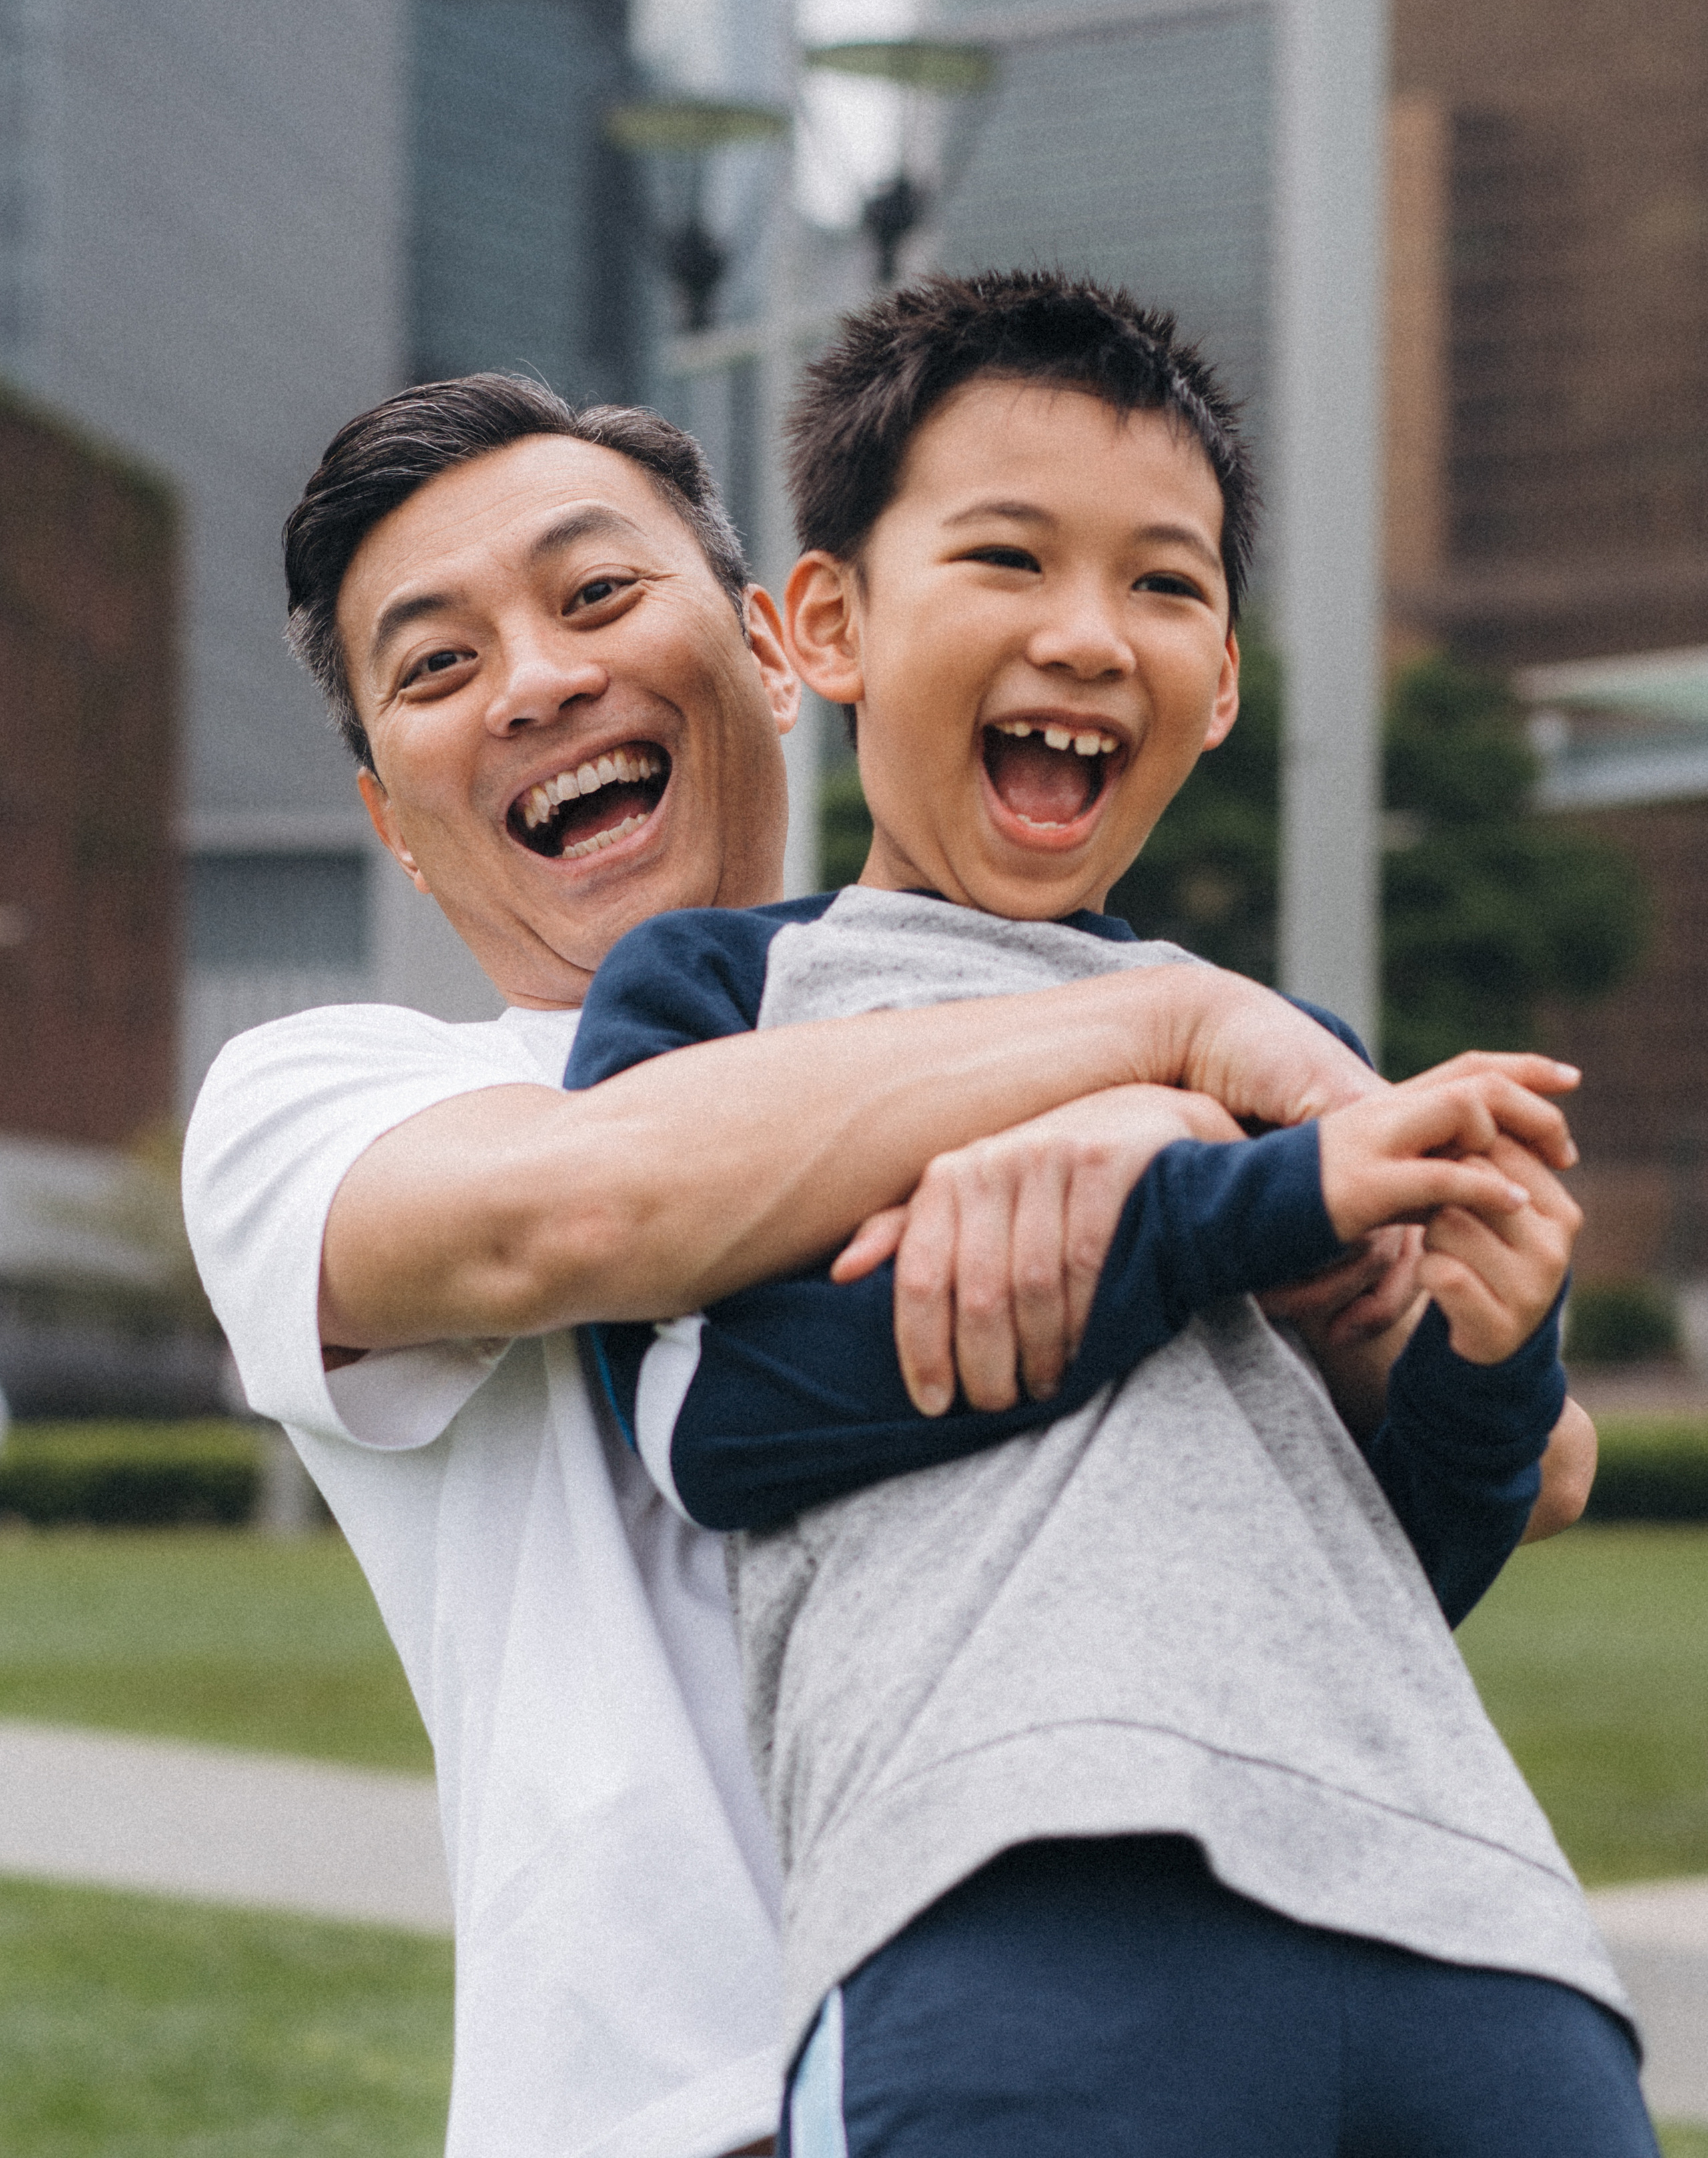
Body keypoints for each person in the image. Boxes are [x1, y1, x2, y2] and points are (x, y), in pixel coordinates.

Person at [183, 371, 1594, 2158]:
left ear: (783, 652)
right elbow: (583, 1212)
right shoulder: (330, 1097)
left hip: (1167, 2005)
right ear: (392, 815)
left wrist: (1398, 1277)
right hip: (685, 2116)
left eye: (598, 594)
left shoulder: (1104, 1016)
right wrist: (1160, 1053)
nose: (537, 682)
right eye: (439, 666)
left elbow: (1518, 1458)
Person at [564, 271, 1651, 2158]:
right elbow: (720, 1423)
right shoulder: (720, 997)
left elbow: (1387, 1557)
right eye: (1008, 557)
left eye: (1164, 584)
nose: (1087, 636)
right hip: (1013, 1886)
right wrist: (1237, 1206)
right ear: (827, 621)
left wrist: (1490, 1351)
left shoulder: (1284, 1052)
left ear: (1221, 680)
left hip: (1469, 1918)